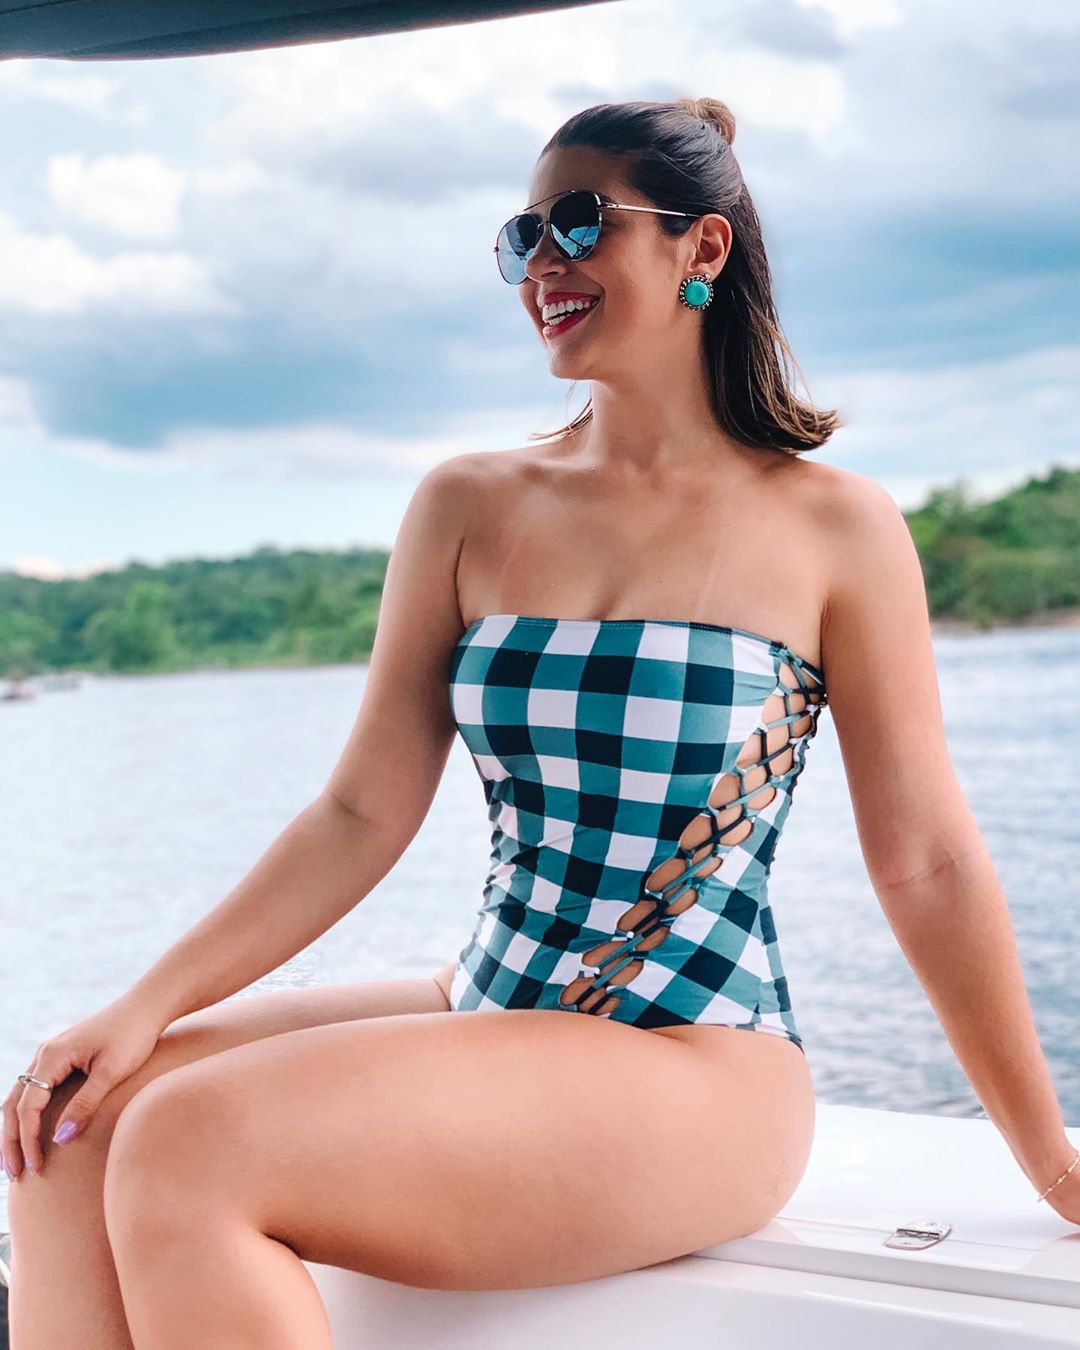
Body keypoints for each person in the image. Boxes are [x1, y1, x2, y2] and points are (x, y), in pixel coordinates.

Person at [4, 95, 1078, 1348]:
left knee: (193, 1142)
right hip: (492, 1001)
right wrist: (141, 1006)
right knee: (69, 1126)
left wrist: (1050, 1157)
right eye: (521, 238)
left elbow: (927, 860)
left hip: (696, 1052)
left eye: (578, 222)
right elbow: (358, 814)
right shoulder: (467, 504)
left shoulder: (837, 528)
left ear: (702, 247)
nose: (542, 267)